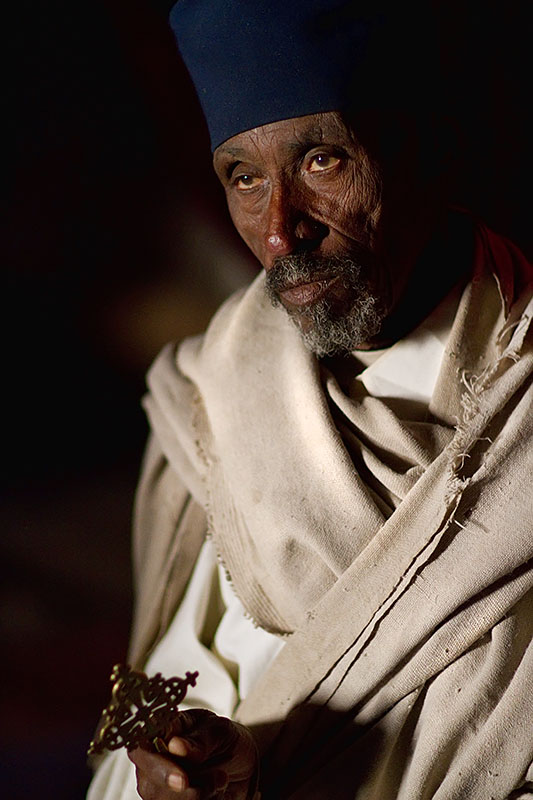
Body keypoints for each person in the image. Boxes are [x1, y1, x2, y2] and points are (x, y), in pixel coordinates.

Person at [88, 1, 533, 798]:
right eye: (245, 179)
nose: (278, 233)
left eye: (322, 161)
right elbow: (162, 695)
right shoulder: (209, 400)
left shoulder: (517, 413)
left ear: (424, 148)